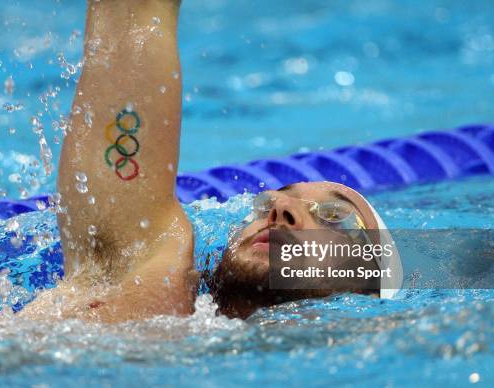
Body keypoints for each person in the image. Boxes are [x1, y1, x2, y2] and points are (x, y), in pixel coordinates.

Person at [21, 0, 402, 323]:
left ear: (370, 290)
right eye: (270, 201)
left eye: (334, 216)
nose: (279, 206)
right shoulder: (149, 290)